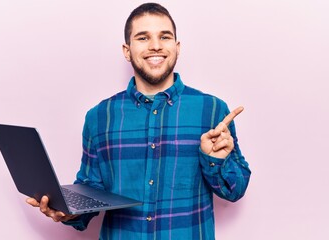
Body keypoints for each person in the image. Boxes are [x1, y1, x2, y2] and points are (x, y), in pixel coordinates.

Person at [27, 2, 251, 239]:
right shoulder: (99, 116)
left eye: (164, 37)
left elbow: (236, 191)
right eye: (143, 38)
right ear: (127, 50)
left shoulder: (212, 110)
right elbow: (91, 191)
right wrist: (69, 211)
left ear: (177, 47)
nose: (155, 46)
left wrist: (215, 161)